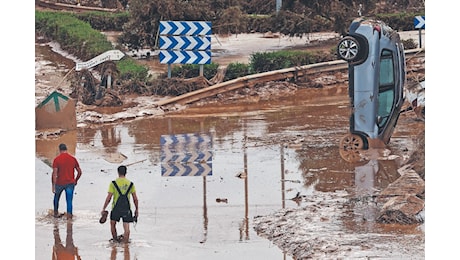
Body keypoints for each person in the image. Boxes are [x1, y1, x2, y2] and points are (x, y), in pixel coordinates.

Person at [101, 165, 139, 243]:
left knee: (113, 224)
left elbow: (109, 197)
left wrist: (104, 208)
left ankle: (115, 240)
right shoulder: (130, 184)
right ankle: (125, 244)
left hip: (116, 208)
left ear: (118, 172)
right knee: (126, 227)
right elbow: (135, 199)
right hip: (126, 208)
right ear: (126, 173)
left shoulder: (113, 183)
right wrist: (136, 209)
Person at [52, 143, 82, 219]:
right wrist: (76, 180)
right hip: (70, 183)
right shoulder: (73, 159)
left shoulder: (56, 160)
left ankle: (55, 213)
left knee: (56, 198)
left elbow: (54, 174)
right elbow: (79, 172)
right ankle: (69, 217)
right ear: (66, 149)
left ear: (59, 150)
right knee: (69, 201)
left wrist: (53, 185)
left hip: (59, 183)